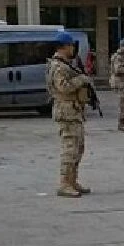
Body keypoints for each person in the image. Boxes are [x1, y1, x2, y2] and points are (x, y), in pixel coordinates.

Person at [48, 31, 93, 198]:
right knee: (70, 148)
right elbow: (64, 87)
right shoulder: (58, 66)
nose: (73, 49)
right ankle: (64, 183)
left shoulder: (67, 64)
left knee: (78, 147)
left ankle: (73, 180)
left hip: (74, 111)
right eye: (71, 46)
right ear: (65, 46)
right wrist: (81, 80)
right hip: (66, 111)